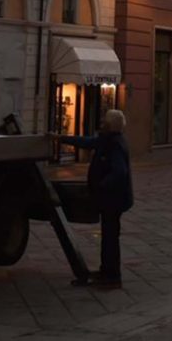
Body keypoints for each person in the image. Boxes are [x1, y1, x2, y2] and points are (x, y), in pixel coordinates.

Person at [58, 108, 132, 287]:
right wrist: (61, 138)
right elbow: (87, 142)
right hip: (112, 200)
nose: (101, 123)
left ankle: (112, 276)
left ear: (110, 125)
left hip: (113, 200)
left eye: (104, 121)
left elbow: (119, 172)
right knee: (108, 237)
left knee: (110, 238)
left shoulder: (114, 144)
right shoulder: (108, 140)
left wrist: (101, 185)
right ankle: (106, 270)